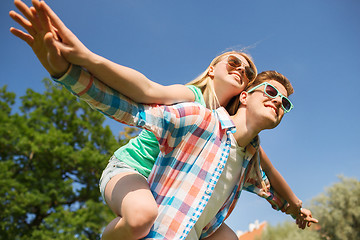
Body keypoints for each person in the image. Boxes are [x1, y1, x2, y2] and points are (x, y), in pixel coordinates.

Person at [9, 1, 317, 239]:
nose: (241, 70)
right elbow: (142, 92)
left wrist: (295, 207)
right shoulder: (191, 102)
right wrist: (81, 60)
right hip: (132, 169)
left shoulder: (239, 142)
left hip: (173, 188)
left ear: (244, 91)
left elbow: (269, 176)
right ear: (212, 69)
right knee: (142, 216)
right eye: (233, 62)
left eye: (248, 73)